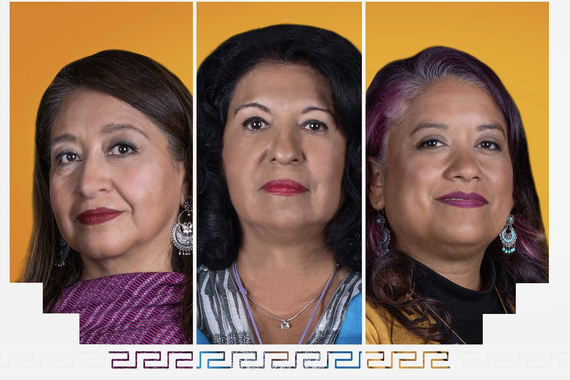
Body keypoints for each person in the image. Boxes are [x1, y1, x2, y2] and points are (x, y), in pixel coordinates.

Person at [365, 46, 548, 344]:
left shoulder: (549, 318)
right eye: (432, 142)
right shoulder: (350, 327)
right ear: (377, 182)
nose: (466, 168)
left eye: (488, 144)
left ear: (513, 187)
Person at [196, 24, 362, 344]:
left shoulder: (395, 308)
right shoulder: (170, 311)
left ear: (350, 154)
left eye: (314, 124)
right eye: (255, 123)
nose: (285, 152)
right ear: (218, 151)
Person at [22, 50, 193, 344]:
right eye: (67, 156)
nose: (88, 184)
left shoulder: (252, 335)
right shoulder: (13, 338)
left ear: (186, 179)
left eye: (122, 148)